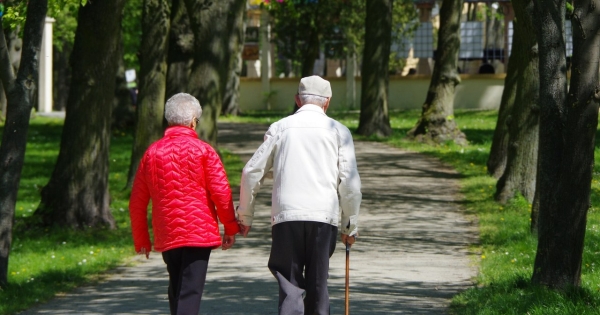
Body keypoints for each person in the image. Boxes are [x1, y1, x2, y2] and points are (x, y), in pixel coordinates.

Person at [237, 76, 362, 315]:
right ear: (328, 102)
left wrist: (245, 215)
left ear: (297, 100)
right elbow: (350, 183)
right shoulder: (339, 131)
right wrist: (349, 225)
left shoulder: (280, 128)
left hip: (286, 216)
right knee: (318, 284)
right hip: (323, 216)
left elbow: (251, 172)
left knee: (290, 285)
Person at [129, 93, 240, 315]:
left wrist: (142, 238)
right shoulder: (204, 151)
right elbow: (221, 193)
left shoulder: (152, 153)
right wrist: (230, 227)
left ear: (169, 121)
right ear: (192, 121)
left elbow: (137, 202)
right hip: (198, 233)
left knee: (177, 288)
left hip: (168, 232)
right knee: (189, 292)